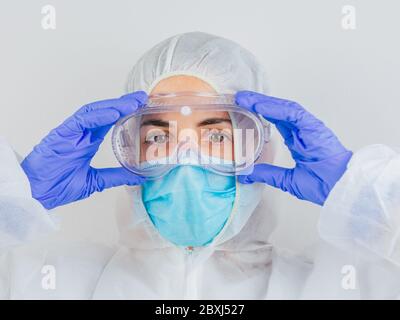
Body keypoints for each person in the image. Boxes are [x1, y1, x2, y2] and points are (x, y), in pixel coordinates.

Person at [1, 32, 399, 299]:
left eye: (217, 136)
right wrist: (13, 204)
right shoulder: (53, 283)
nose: (187, 160)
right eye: (159, 137)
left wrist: (368, 199)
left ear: (260, 150)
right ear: (131, 151)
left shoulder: (338, 284)